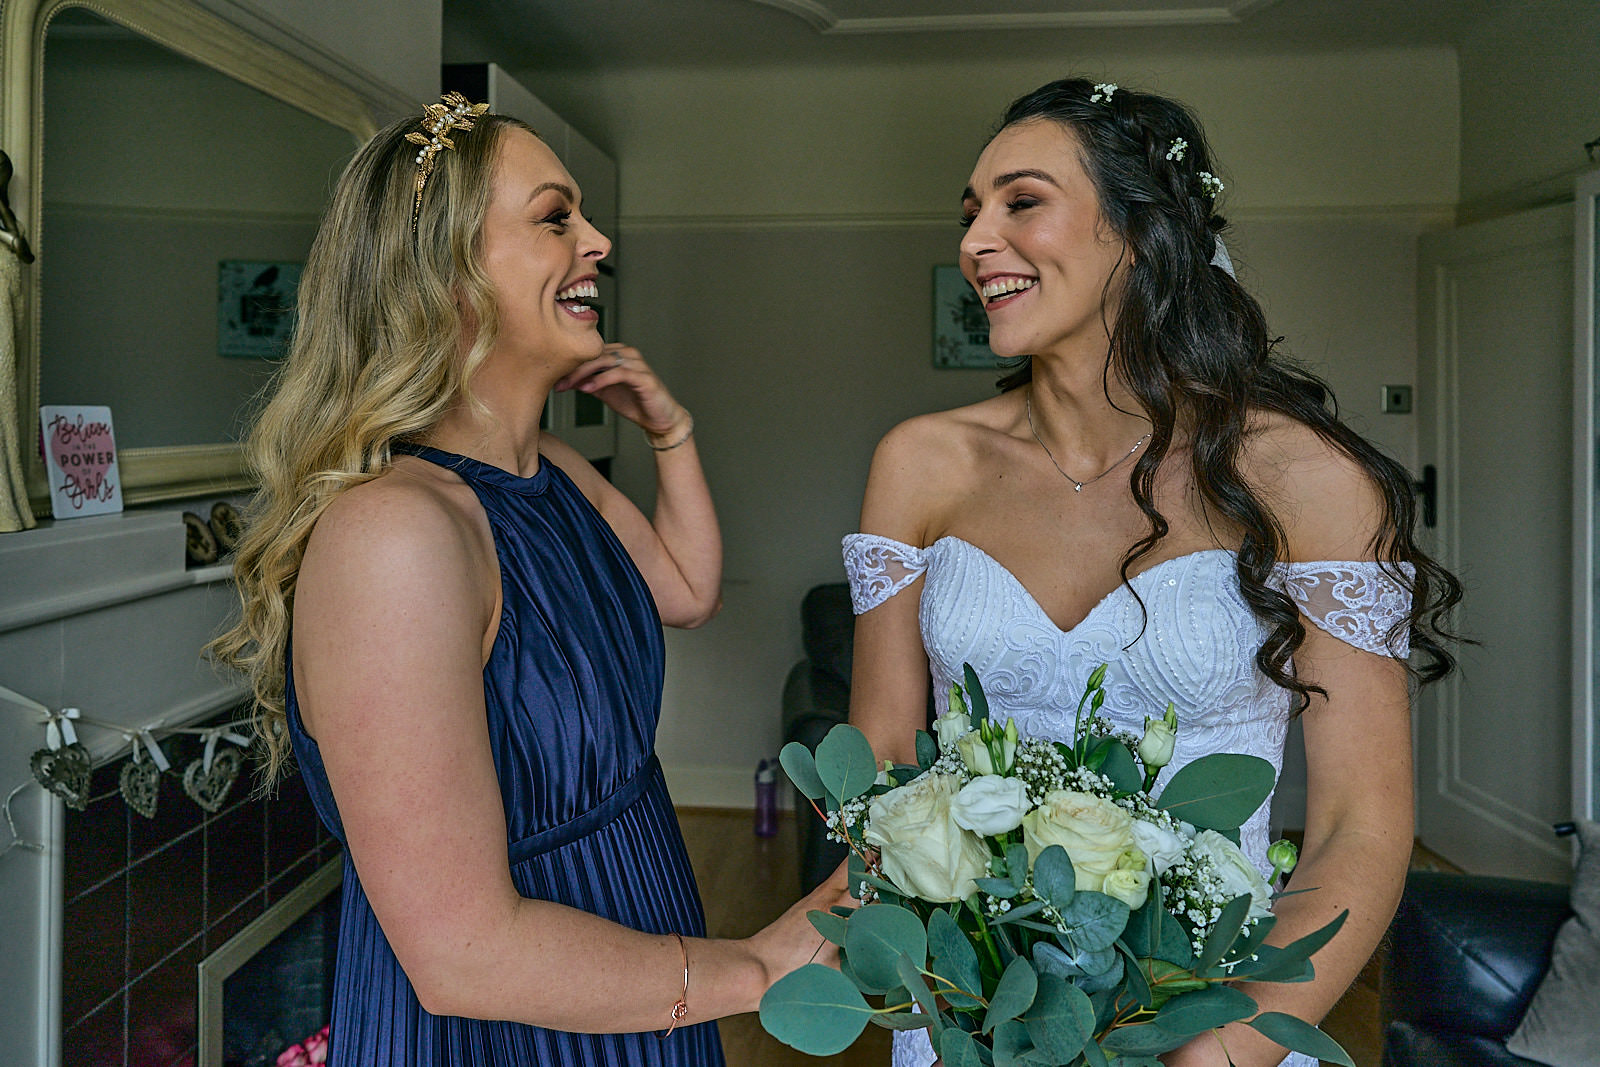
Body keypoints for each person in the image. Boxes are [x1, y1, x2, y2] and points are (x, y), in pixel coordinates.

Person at [210, 94, 843, 1066]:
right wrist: (754, 969)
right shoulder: (395, 534)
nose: (596, 240)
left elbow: (684, 589)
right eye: (555, 217)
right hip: (505, 1027)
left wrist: (671, 434)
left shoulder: (554, 473)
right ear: (447, 270)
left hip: (633, 964)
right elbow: (464, 954)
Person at [843, 78, 1460, 1067]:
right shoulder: (920, 462)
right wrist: (937, 974)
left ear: (1138, 233)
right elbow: (878, 761)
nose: (974, 240)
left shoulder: (1306, 477)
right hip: (975, 1014)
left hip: (1215, 1017)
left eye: (1022, 200)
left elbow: (1360, 821)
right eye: (969, 212)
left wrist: (1220, 1046)